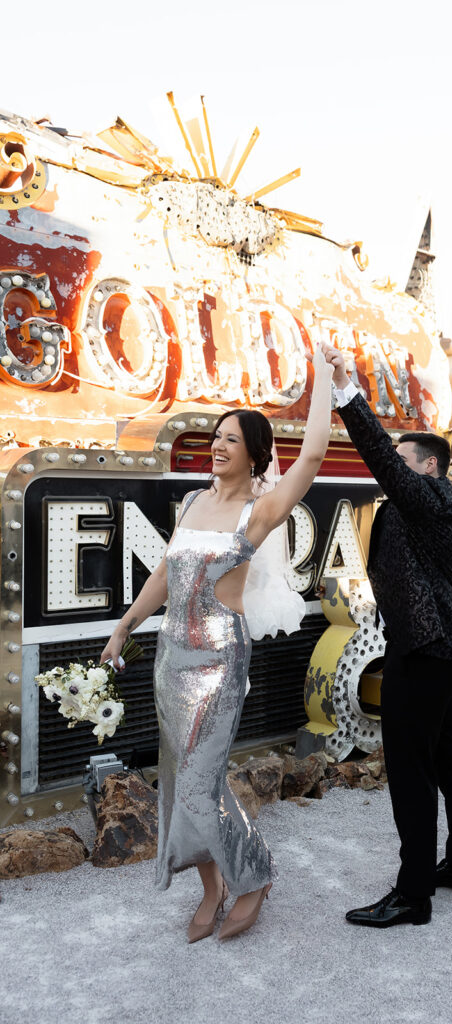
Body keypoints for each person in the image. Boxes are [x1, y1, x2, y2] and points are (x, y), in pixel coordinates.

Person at [100, 345, 333, 942]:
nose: (219, 445)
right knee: (181, 784)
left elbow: (310, 456)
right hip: (171, 663)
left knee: (203, 786)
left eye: (233, 439)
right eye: (217, 436)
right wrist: (125, 625)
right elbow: (163, 576)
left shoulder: (258, 513)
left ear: (255, 456)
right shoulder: (193, 502)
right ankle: (212, 888)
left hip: (218, 666)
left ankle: (254, 876)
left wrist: (326, 377)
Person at [323, 345, 452, 929]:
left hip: (423, 651)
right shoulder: (445, 513)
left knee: (412, 773)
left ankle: (413, 894)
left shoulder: (435, 500)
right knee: (450, 759)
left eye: (404, 458)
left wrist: (347, 394)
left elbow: (385, 466)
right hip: (442, 651)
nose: (394, 463)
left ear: (430, 467)